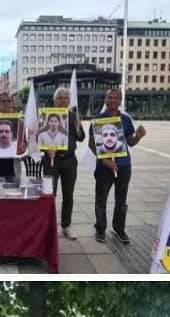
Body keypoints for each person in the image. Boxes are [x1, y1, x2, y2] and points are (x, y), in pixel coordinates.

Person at [88, 88, 146, 245]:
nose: (112, 100)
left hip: (124, 165)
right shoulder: (99, 120)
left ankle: (119, 228)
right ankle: (100, 229)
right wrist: (106, 161)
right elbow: (92, 145)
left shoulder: (126, 120)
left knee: (121, 200)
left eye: (116, 98)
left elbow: (130, 142)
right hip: (104, 167)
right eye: (109, 98)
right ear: (105, 100)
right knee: (101, 200)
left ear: (120, 101)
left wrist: (138, 136)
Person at [45, 90, 86, 241]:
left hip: (69, 160)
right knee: (50, 194)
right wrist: (46, 149)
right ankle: (49, 226)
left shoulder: (73, 116)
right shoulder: (47, 116)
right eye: (60, 98)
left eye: (65, 98)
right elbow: (40, 138)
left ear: (69, 101)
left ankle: (66, 225)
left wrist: (78, 128)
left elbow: (81, 137)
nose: (63, 100)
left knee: (68, 194)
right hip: (51, 161)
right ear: (55, 100)